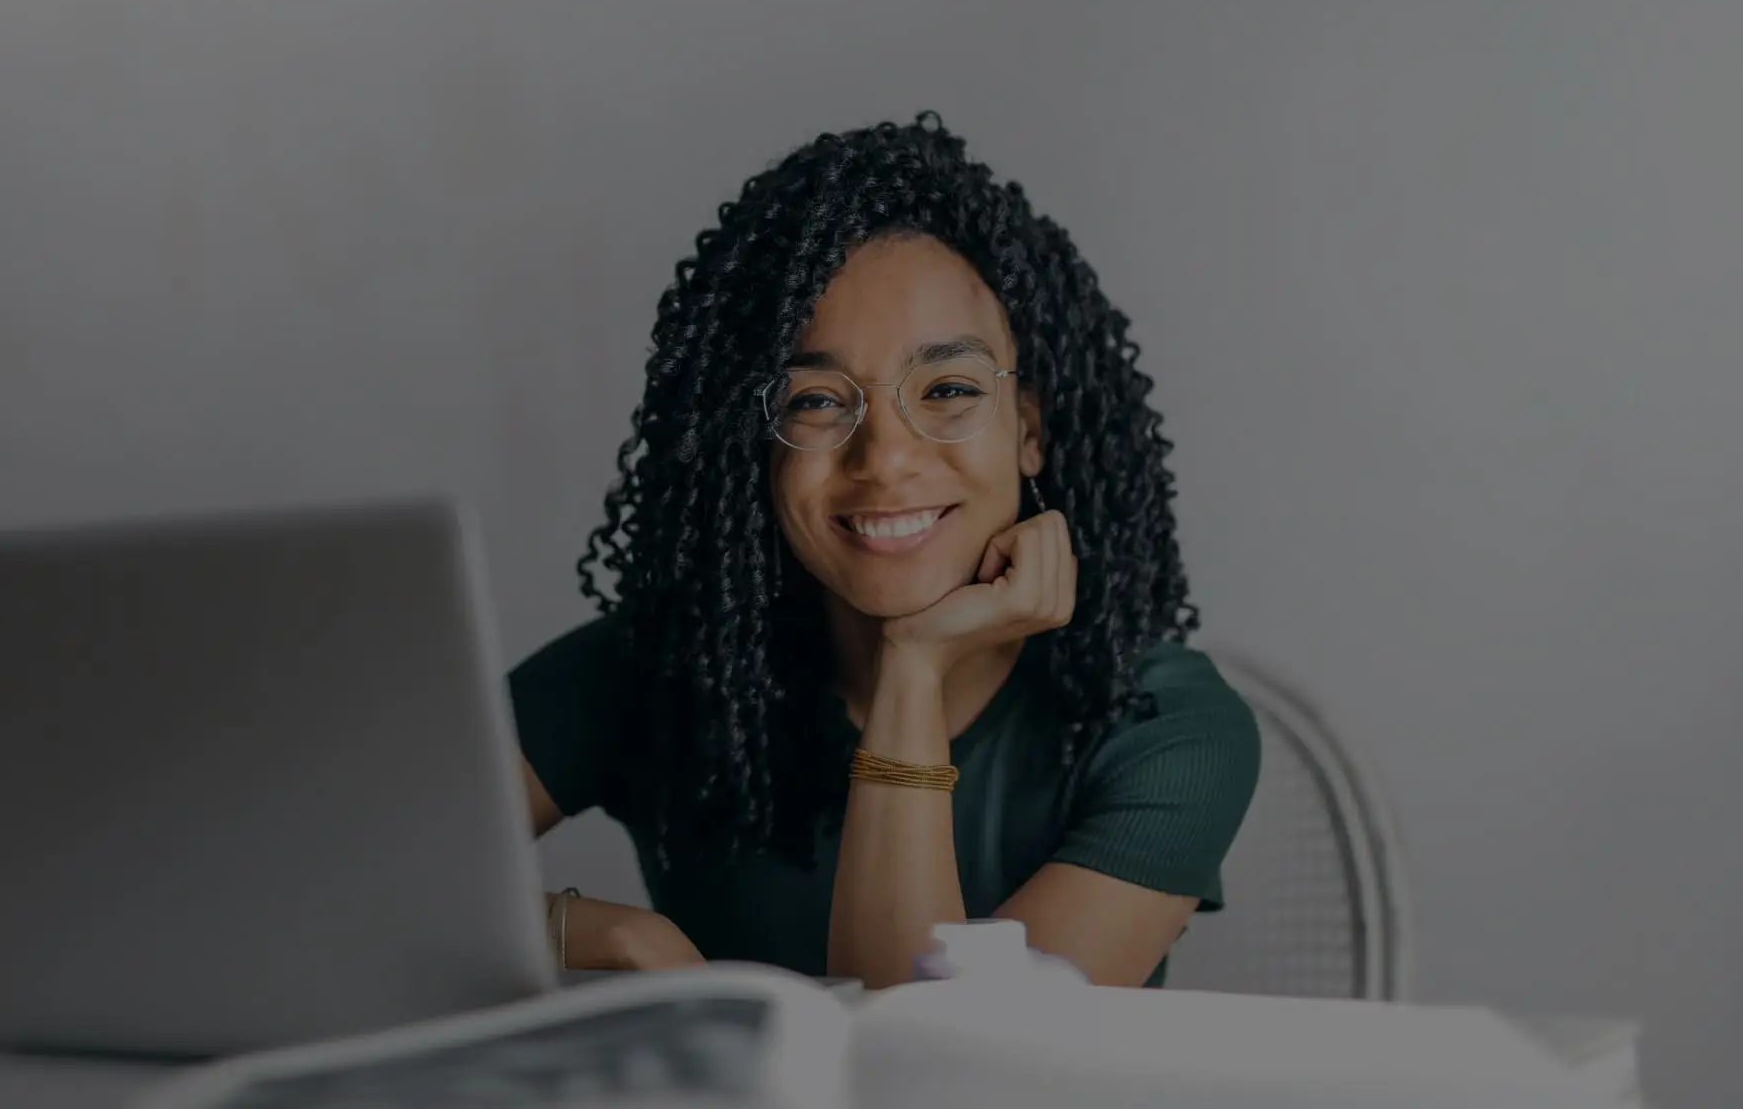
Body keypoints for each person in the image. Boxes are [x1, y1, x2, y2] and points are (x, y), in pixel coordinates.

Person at [510, 113, 1261, 990]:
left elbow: (936, 1075)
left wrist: (914, 666)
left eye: (947, 389)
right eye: (818, 402)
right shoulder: (661, 667)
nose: (887, 458)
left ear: (1030, 431)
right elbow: (333, 883)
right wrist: (605, 936)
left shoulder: (1162, 727)